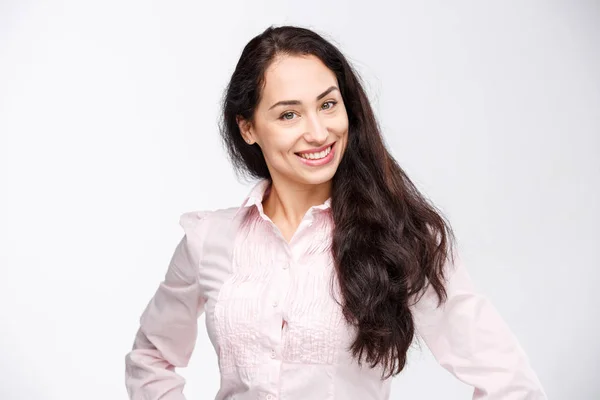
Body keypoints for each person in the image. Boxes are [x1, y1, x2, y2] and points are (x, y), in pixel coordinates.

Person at [124, 26, 547, 400]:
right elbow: (151, 356)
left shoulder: (400, 237)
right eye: (289, 114)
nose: (318, 131)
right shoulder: (208, 240)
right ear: (248, 128)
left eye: (328, 105)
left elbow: (508, 380)